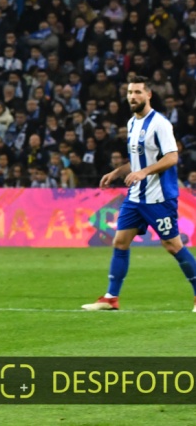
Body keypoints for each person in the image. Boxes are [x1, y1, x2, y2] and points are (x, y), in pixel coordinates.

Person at [82, 76, 196, 311]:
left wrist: (144, 172)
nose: (132, 97)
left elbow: (172, 157)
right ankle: (111, 298)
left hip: (159, 198)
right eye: (130, 92)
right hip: (135, 198)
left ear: (148, 95)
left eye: (137, 92)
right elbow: (136, 162)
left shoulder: (160, 124)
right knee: (120, 241)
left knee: (173, 246)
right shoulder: (132, 123)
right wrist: (117, 172)